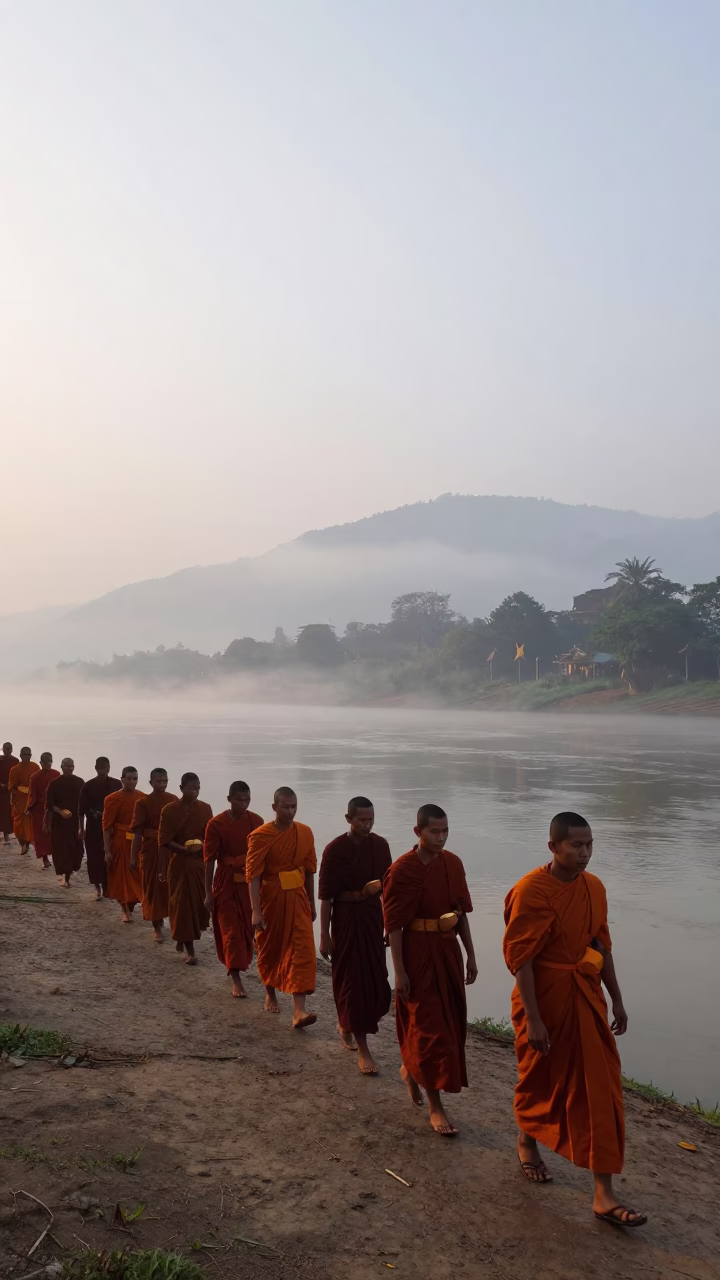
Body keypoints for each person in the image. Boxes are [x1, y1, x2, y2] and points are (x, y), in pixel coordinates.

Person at [503, 812, 646, 1228]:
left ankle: (604, 1194)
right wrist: (533, 1018)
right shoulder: (531, 891)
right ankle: (527, 1139)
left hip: (586, 997)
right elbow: (522, 960)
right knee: (541, 1076)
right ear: (553, 847)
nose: (584, 853)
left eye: (589, 845)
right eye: (575, 845)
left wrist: (617, 999)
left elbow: (601, 945)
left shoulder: (594, 888)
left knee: (601, 1089)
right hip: (543, 998)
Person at [383, 803, 476, 1137]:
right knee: (427, 1028)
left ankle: (411, 1070)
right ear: (417, 832)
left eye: (445, 831)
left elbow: (461, 912)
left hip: (447, 950)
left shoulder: (453, 864)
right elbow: (393, 925)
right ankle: (435, 1105)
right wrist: (400, 972)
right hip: (417, 952)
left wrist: (471, 955)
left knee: (450, 1027)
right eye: (434, 831)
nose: (441, 838)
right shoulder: (402, 870)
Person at [319, 796, 392, 1074]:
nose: (367, 824)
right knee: (350, 978)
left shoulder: (380, 846)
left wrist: (389, 923)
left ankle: (346, 1022)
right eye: (361, 819)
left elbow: (387, 888)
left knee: (374, 977)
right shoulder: (335, 849)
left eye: (371, 819)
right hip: (346, 919)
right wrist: (324, 935)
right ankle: (363, 1048)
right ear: (348, 819)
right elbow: (326, 897)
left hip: (373, 918)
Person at [246, 786, 317, 1028]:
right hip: (272, 896)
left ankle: (299, 1010)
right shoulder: (260, 836)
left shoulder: (305, 833)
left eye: (294, 806)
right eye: (285, 806)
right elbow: (253, 875)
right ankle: (270, 994)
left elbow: (309, 870)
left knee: (302, 950)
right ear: (274, 807)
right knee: (270, 946)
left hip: (298, 897)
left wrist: (311, 901)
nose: (290, 811)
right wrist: (255, 910)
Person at [204, 781, 263, 997]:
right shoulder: (216, 824)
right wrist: (208, 892)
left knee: (248, 930)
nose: (244, 803)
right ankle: (236, 978)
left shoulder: (256, 821)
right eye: (239, 799)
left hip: (249, 883)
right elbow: (209, 860)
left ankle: (241, 965)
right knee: (231, 932)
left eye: (247, 799)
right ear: (229, 799)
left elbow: (261, 856)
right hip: (226, 882)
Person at [158, 772, 212, 965]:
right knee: (182, 906)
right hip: (180, 863)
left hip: (199, 865)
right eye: (191, 788)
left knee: (198, 906)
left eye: (197, 788)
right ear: (181, 788)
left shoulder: (205, 809)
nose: (195, 791)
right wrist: (185, 849)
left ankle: (184, 938)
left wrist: (201, 847)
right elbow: (164, 840)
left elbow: (210, 837)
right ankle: (190, 950)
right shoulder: (169, 810)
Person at [130, 768, 178, 943]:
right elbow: (137, 832)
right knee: (152, 887)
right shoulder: (143, 803)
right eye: (158, 781)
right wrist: (133, 856)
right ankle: (156, 925)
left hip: (170, 849)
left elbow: (179, 828)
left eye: (165, 781)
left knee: (170, 886)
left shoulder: (173, 801)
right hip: (150, 849)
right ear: (151, 782)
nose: (162, 785)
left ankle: (170, 920)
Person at [103, 767, 145, 922]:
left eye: (135, 778)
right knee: (120, 877)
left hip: (137, 842)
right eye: (129, 778)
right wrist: (107, 850)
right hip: (120, 841)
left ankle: (131, 906)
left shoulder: (142, 798)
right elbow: (107, 827)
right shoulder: (112, 799)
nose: (132, 782)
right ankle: (124, 909)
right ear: (122, 779)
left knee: (138, 876)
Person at [79, 758, 121, 899]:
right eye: (100, 768)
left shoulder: (116, 784)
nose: (103, 770)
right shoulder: (88, 786)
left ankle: (108, 887)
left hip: (112, 827)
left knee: (109, 855)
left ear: (109, 768)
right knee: (94, 857)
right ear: (96, 768)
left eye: (105, 767)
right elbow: (81, 810)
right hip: (94, 826)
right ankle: (97, 888)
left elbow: (121, 804)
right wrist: (81, 828)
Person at [45, 758, 85, 886]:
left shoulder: (80, 782)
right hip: (60, 823)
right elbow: (50, 804)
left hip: (74, 821)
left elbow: (83, 805)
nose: (69, 768)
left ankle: (68, 875)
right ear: (61, 767)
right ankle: (65, 877)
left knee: (75, 849)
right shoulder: (54, 783)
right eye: (67, 766)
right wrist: (60, 813)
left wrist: (81, 826)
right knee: (62, 850)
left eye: (71, 766)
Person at [26, 753, 60, 868]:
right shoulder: (35, 777)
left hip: (54, 808)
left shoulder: (57, 774)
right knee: (41, 834)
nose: (48, 764)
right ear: (41, 763)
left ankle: (55, 856)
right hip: (39, 809)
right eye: (45, 762)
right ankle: (45, 858)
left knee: (54, 832)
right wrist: (30, 807)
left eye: (50, 761)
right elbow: (32, 794)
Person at [8, 747, 40, 855]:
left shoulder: (35, 767)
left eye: (28, 755)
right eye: (24, 754)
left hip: (32, 798)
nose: (27, 756)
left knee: (30, 823)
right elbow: (12, 787)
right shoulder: (15, 769)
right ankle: (22, 845)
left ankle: (27, 845)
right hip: (20, 799)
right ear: (20, 755)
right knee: (18, 824)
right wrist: (14, 798)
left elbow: (38, 784)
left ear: (31, 755)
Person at [0, 743, 19, 845]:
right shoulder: (0, 759)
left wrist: (10, 785)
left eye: (8, 749)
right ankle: (5, 836)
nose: (6, 751)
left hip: (11, 790)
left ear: (11, 750)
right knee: (2, 813)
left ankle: (8, 836)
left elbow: (17, 775)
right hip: (1, 789)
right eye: (4, 749)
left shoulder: (15, 761)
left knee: (8, 813)